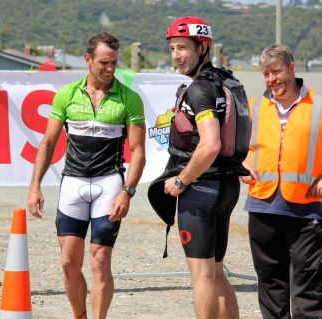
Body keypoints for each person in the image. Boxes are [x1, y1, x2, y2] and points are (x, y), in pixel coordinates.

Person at [27, 32, 146, 319]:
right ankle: (79, 315)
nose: (110, 69)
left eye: (114, 63)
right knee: (69, 262)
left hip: (109, 183)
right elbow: (48, 144)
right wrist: (35, 187)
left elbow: (138, 151)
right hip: (74, 182)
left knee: (101, 260)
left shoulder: (129, 98)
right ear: (88, 59)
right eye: (104, 62)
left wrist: (127, 191)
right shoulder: (67, 95)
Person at [241, 44, 322, 319]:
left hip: (305, 209)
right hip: (262, 207)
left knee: (308, 283)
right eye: (266, 74)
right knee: (271, 281)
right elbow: (237, 147)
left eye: (276, 71)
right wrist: (242, 165)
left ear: (292, 68)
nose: (271, 79)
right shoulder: (255, 106)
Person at [149, 16, 250, 319]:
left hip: (202, 190)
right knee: (217, 274)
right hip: (227, 186)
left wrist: (181, 181)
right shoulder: (226, 80)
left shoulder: (199, 90)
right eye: (172, 48)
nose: (176, 55)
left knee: (202, 277)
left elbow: (210, 144)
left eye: (182, 47)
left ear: (202, 47)